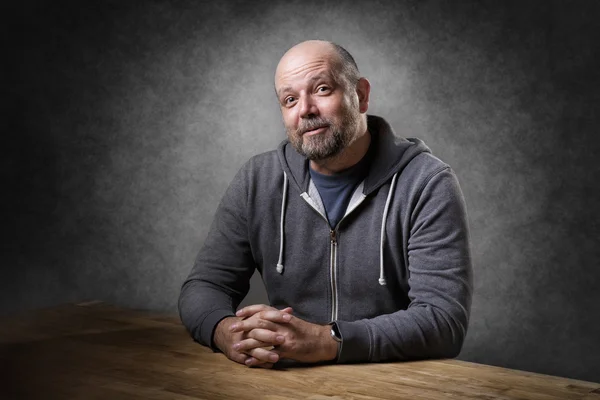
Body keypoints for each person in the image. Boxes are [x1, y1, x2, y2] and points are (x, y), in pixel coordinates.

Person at [179, 40, 473, 369]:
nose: (305, 109)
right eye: (290, 99)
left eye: (321, 89)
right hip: (285, 380)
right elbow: (205, 285)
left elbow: (444, 321)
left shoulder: (426, 182)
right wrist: (228, 332)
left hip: (392, 382)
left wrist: (327, 340)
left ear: (360, 95)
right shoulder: (258, 180)